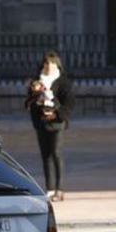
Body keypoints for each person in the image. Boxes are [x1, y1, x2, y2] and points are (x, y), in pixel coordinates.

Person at [25, 51, 74, 202]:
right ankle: (50, 188)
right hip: (41, 124)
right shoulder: (37, 82)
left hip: (56, 124)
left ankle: (59, 189)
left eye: (51, 63)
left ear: (57, 65)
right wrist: (35, 100)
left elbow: (69, 104)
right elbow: (28, 103)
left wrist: (57, 114)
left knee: (56, 154)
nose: (48, 66)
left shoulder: (63, 82)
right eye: (46, 63)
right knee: (45, 156)